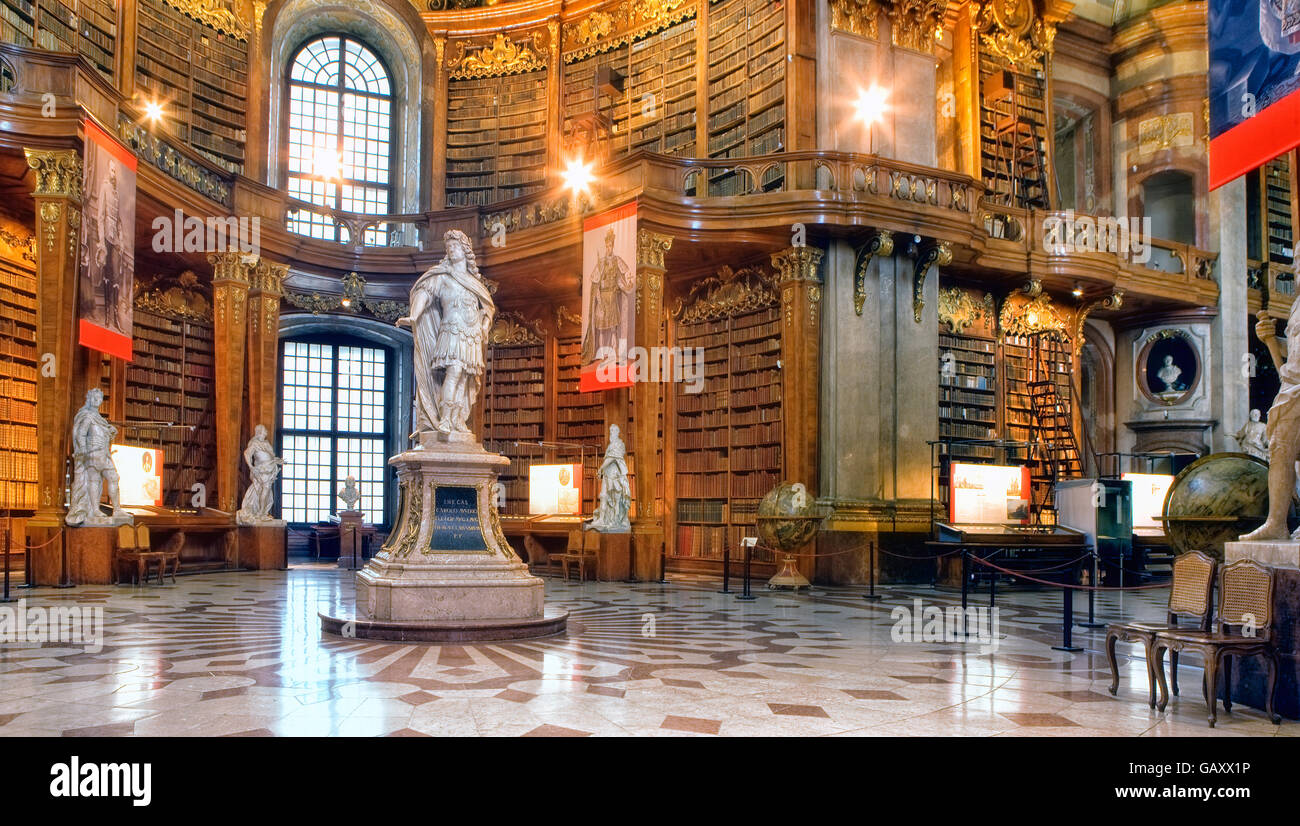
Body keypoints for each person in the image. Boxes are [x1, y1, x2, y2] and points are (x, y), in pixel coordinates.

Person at [397, 230, 494, 437]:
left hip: (472, 334)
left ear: (465, 250)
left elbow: (488, 309)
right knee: (454, 372)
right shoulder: (441, 276)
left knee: (465, 378)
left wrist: (484, 326)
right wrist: (414, 316)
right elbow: (424, 292)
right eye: (448, 247)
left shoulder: (474, 283)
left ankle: (457, 419)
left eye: (455, 246)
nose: (451, 249)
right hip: (452, 329)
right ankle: (445, 420)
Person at [1242, 307, 1300, 540]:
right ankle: (1276, 524)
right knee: (1279, 447)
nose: (1298, 273)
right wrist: (1272, 339)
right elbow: (1295, 349)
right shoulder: (1297, 305)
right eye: (1296, 269)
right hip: (1293, 384)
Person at [66, 388, 128, 526]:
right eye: (94, 397)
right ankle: (94, 510)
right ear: (89, 398)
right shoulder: (87, 416)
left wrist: (110, 432)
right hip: (93, 454)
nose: (97, 400)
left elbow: (103, 435)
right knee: (94, 481)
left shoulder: (100, 419)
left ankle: (117, 509)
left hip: (104, 454)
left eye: (99, 398)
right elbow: (81, 434)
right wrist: (82, 449)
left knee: (114, 477)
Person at [581, 227, 634, 366]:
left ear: (613, 246)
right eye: (606, 246)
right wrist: (599, 300)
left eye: (610, 245)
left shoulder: (617, 261)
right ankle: (601, 353)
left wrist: (627, 282)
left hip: (612, 298)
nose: (608, 248)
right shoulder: (601, 262)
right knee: (601, 329)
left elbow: (626, 274)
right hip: (603, 299)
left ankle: (615, 351)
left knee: (613, 328)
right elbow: (595, 282)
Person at [586, 424, 631, 532]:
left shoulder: (619, 444)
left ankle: (614, 520)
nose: (611, 433)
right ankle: (602, 519)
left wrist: (601, 468)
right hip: (608, 474)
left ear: (617, 432)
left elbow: (611, 458)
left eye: (613, 431)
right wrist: (603, 470)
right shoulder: (611, 445)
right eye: (610, 431)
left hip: (615, 475)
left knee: (615, 499)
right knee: (603, 496)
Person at [236, 424, 282, 525]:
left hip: (269, 469)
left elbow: (271, 457)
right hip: (261, 470)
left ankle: (262, 512)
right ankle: (261, 512)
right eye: (265, 430)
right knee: (264, 489)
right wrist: (251, 467)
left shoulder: (266, 443)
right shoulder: (255, 443)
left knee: (266, 490)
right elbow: (247, 454)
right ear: (260, 431)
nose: (266, 432)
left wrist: (278, 461)